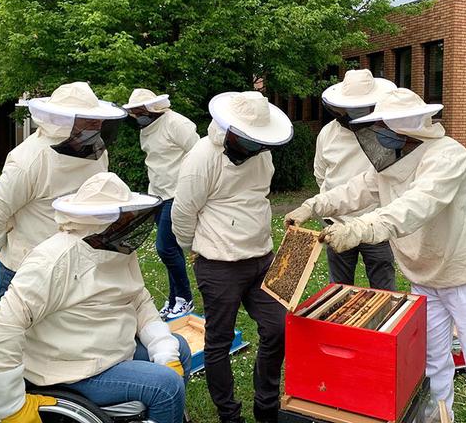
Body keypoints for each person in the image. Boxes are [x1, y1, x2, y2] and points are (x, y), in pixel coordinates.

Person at [285, 88, 466, 423]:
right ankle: (438, 418)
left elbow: (414, 207)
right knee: (430, 364)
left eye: (381, 129)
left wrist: (358, 230)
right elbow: (355, 190)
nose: (376, 137)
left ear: (405, 131)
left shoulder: (447, 157)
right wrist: (314, 205)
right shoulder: (392, 164)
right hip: (424, 278)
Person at [0, 81, 126, 423]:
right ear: (63, 123)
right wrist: (4, 250)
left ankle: (50, 399)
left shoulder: (98, 152)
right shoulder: (29, 160)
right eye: (86, 124)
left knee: (58, 341)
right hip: (26, 268)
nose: (95, 131)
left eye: (96, 123)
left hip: (78, 263)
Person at [0, 172, 191, 423]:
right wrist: (12, 407)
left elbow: (139, 300)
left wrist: (163, 348)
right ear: (104, 221)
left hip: (107, 351)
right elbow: (1, 329)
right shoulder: (54, 260)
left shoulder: (117, 250)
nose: (131, 223)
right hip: (68, 368)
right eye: (125, 218)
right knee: (165, 387)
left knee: (180, 348)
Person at [172, 91, 293, 423]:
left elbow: (258, 196)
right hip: (218, 264)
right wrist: (193, 250)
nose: (255, 144)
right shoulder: (202, 158)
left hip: (261, 258)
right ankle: (229, 414)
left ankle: (266, 405)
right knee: (219, 342)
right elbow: (182, 213)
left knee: (279, 328)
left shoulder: (261, 155)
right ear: (231, 130)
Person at [314, 69, 397, 290]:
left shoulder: (385, 132)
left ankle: (384, 325)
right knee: (338, 289)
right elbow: (321, 174)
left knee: (383, 288)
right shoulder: (327, 134)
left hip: (376, 222)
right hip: (338, 224)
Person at [124, 88, 199, 320]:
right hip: (157, 194)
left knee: (164, 247)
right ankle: (175, 298)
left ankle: (185, 298)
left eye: (138, 111)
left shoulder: (177, 123)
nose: (136, 116)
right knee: (172, 249)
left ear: (152, 108)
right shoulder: (146, 128)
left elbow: (199, 154)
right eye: (133, 112)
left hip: (178, 194)